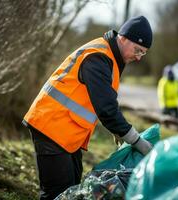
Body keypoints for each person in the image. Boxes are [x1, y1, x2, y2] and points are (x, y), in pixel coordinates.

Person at [22, 16, 153, 199]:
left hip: (64, 131)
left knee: (72, 190)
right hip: (51, 126)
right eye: (138, 50)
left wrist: (116, 130)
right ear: (123, 38)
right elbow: (106, 108)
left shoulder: (109, 57)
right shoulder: (99, 57)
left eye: (143, 53)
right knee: (58, 194)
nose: (139, 57)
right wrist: (136, 140)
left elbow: (100, 102)